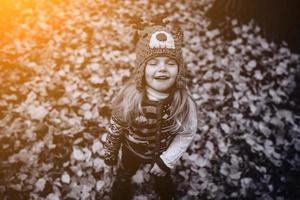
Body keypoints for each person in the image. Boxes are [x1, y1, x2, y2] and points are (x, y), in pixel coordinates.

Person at [103, 25, 198, 200]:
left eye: (170, 63)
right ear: (142, 70)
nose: (162, 68)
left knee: (161, 173)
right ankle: (121, 185)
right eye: (153, 63)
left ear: (179, 70)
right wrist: (110, 155)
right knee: (126, 170)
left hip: (163, 152)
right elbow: (115, 129)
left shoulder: (183, 102)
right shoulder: (130, 99)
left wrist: (166, 161)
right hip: (131, 150)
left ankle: (163, 186)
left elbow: (187, 132)